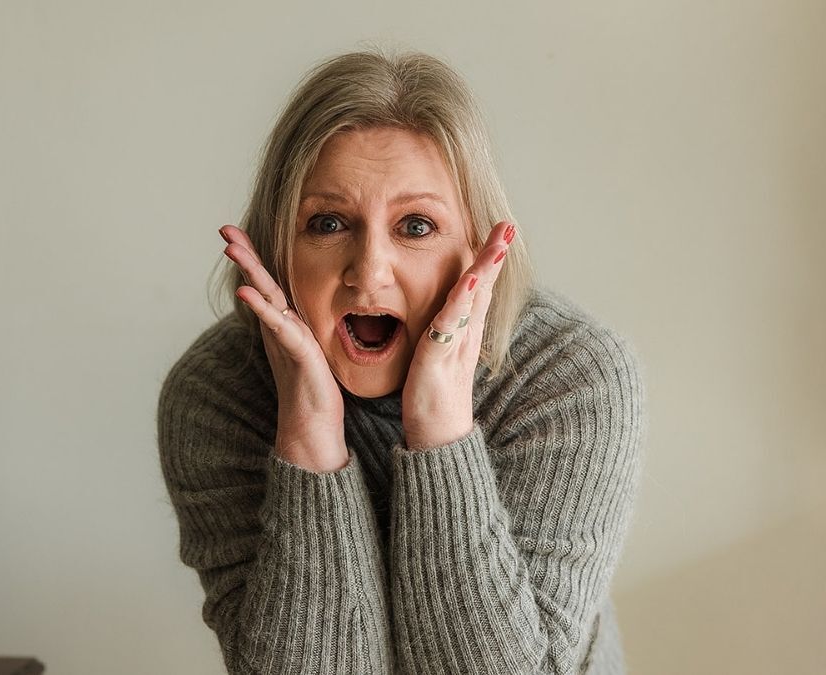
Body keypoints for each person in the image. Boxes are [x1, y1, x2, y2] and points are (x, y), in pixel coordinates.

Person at [157, 49, 646, 675]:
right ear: (276, 246)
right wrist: (308, 440)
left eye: (415, 226)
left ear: (476, 248)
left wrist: (440, 432)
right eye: (329, 222)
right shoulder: (216, 395)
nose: (369, 274)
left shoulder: (571, 379)